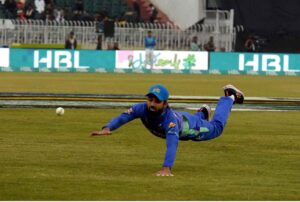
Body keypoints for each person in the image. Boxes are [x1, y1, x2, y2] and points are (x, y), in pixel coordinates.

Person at [91, 84, 245, 177]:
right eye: (150, 99)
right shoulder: (141, 108)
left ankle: (229, 97)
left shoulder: (169, 122)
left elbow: (172, 144)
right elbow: (123, 117)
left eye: (156, 101)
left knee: (217, 128)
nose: (151, 104)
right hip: (182, 118)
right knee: (194, 119)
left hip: (191, 128)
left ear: (165, 103)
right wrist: (107, 128)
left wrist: (166, 168)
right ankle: (202, 113)